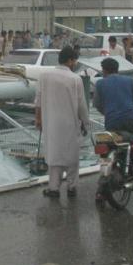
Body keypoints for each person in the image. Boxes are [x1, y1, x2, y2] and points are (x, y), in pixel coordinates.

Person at [35, 47, 89, 198]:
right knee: (72, 156)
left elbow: (38, 101)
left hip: (51, 123)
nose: (74, 64)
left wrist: (38, 119)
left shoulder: (44, 76)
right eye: (74, 61)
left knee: (54, 155)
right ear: (70, 60)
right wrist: (85, 122)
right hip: (70, 123)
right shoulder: (75, 79)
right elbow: (81, 105)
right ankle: (72, 187)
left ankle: (54, 188)